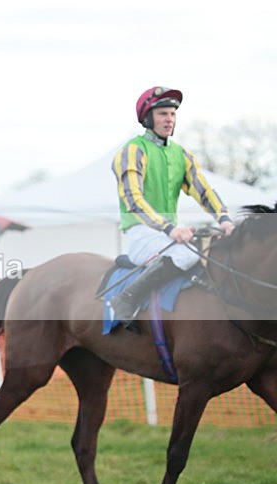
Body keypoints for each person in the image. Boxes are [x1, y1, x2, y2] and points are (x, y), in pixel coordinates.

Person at [109, 86, 235, 326]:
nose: (169, 119)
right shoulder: (133, 150)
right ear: (148, 118)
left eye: (172, 114)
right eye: (162, 114)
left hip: (169, 233)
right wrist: (168, 227)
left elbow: (203, 191)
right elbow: (133, 199)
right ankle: (126, 298)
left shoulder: (182, 154)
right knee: (186, 253)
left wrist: (225, 219)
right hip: (140, 234)